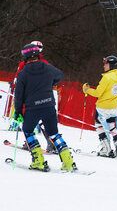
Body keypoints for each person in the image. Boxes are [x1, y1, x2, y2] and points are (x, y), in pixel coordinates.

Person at [12, 42, 76, 172]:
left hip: (33, 108)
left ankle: (38, 161)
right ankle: (68, 162)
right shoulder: (47, 67)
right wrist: (49, 82)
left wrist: (18, 111)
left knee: (28, 130)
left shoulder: (23, 73)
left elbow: (18, 96)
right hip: (49, 105)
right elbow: (60, 75)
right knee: (53, 133)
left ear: (26, 56)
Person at [82, 54, 117, 158]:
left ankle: (106, 149)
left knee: (99, 126)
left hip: (102, 107)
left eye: (105, 63)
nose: (104, 66)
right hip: (114, 107)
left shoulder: (106, 77)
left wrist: (87, 90)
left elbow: (98, 93)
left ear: (110, 65)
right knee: (112, 126)